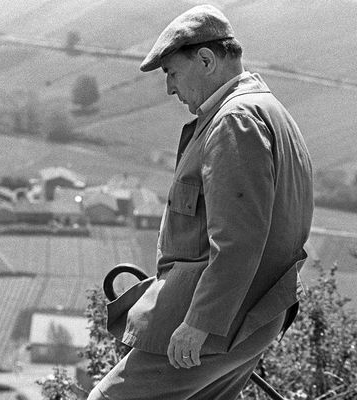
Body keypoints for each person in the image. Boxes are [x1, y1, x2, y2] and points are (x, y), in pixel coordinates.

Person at [88, 4, 313, 400]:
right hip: (254, 315)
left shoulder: (235, 121)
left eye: (172, 73)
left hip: (217, 320)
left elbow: (238, 240)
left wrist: (199, 322)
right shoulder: (270, 110)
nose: (170, 88)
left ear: (206, 60)